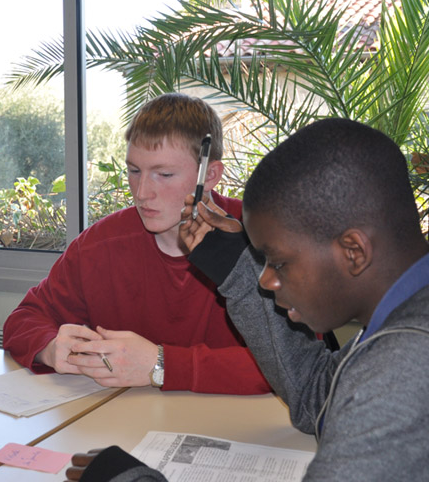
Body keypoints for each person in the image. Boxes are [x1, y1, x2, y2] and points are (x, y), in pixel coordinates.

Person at [72, 117, 429, 481]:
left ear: (353, 252)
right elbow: (315, 400)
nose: (269, 280)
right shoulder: (404, 319)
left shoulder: (406, 361)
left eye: (279, 262)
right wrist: (235, 269)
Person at [2, 93, 270, 394]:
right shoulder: (101, 245)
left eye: (164, 174)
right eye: (134, 171)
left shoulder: (265, 241)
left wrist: (162, 365)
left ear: (209, 175)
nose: (142, 193)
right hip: (127, 428)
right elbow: (23, 320)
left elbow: (303, 366)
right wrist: (50, 348)